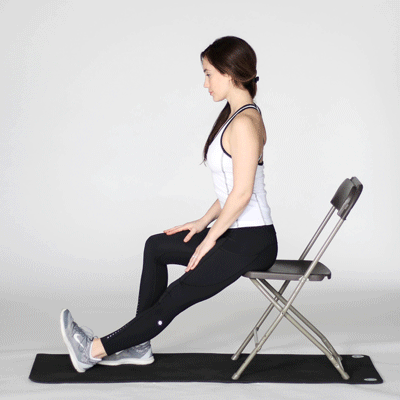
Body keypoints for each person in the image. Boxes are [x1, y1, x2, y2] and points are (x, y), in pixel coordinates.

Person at [60, 36, 278, 373]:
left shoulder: (246, 123)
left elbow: (243, 193)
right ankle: (138, 345)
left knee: (176, 295)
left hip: (252, 242)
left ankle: (93, 350)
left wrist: (208, 240)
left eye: (208, 74)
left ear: (230, 73)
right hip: (235, 233)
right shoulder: (236, 117)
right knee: (157, 246)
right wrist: (202, 222)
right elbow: (232, 189)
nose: (205, 83)